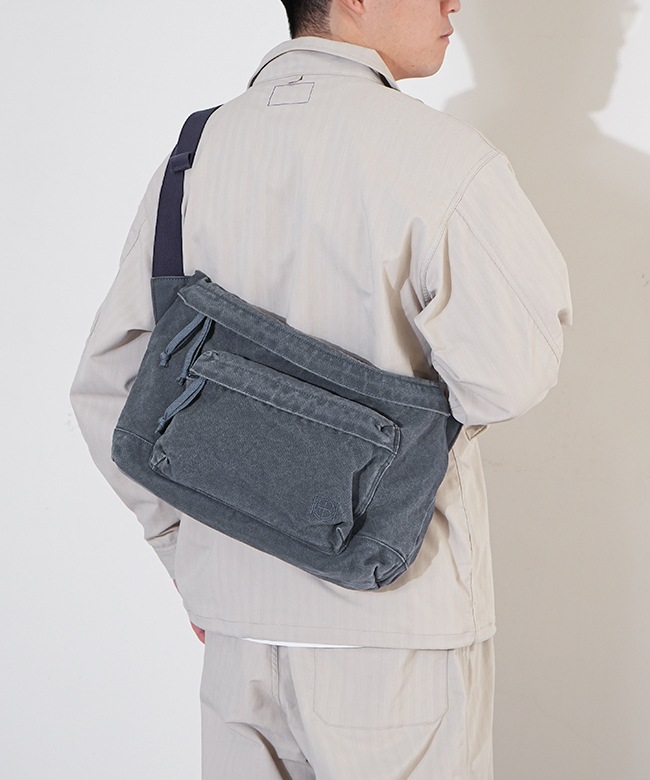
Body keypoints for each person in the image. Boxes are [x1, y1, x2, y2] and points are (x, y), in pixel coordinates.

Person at [70, 0, 572, 777]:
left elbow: (111, 385)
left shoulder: (194, 155)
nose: (454, 4)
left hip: (236, 629)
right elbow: (512, 374)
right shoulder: (446, 159)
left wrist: (185, 555)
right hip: (396, 625)